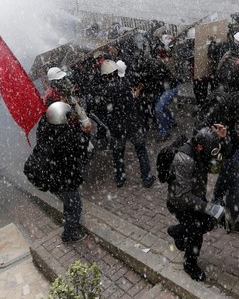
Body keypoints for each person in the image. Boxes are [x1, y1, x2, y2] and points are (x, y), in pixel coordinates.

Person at [165, 125, 233, 281]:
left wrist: (222, 138)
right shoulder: (184, 159)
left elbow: (219, 164)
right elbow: (183, 196)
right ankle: (189, 265)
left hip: (196, 198)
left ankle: (177, 231)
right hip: (179, 203)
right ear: (199, 147)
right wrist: (210, 208)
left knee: (209, 222)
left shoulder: (202, 149)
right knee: (196, 233)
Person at [196, 62, 239, 233]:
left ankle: (214, 206)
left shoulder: (218, 93)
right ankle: (231, 221)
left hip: (211, 146)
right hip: (225, 147)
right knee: (235, 186)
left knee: (225, 174)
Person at [89, 59, 155, 188]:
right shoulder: (124, 86)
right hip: (132, 125)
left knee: (118, 153)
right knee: (141, 150)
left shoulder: (102, 91)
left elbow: (99, 105)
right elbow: (130, 100)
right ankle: (146, 178)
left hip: (116, 128)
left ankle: (120, 178)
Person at [31, 102, 92, 243]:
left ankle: (68, 220)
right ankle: (69, 235)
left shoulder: (45, 126)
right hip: (65, 178)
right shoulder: (67, 136)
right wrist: (86, 134)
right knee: (75, 206)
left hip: (52, 177)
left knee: (68, 203)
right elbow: (83, 154)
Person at [44, 67, 93, 134]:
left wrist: (85, 122)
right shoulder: (50, 96)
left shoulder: (64, 91)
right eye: (59, 80)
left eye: (63, 79)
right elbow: (56, 116)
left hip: (74, 125)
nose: (63, 81)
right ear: (53, 82)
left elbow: (76, 107)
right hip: (64, 129)